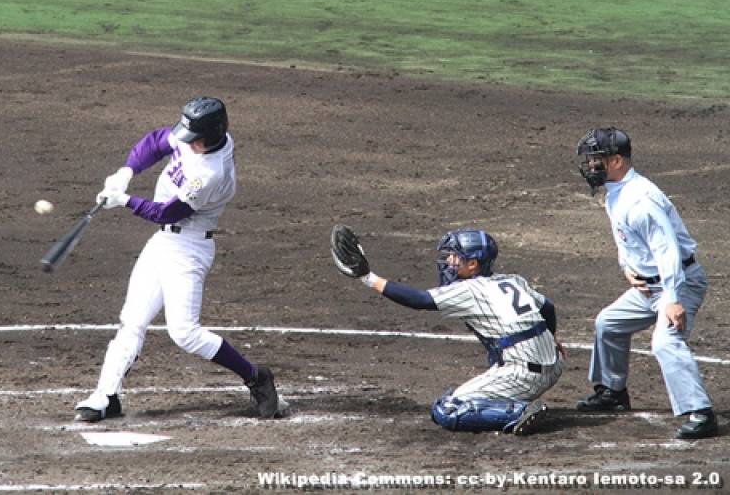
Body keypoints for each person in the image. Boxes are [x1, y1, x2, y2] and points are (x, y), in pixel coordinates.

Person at [74, 96, 285, 422]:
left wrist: (125, 200)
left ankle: (256, 377)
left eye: (195, 139)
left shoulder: (211, 173)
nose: (189, 143)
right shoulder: (200, 138)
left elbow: (168, 212)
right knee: (132, 319)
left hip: (189, 249)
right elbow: (158, 141)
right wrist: (126, 171)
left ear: (213, 136)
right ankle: (106, 396)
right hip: (163, 243)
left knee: (184, 332)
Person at [331, 225, 565, 435]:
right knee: (501, 349)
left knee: (448, 409)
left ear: (473, 264)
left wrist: (368, 278)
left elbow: (420, 300)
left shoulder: (470, 290)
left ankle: (519, 412)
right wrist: (552, 340)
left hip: (523, 376)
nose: (450, 261)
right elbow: (548, 307)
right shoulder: (513, 280)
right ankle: (515, 396)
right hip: (554, 366)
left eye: (456, 256)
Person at [574, 127, 716, 439]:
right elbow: (629, 242)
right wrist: (627, 267)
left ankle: (701, 412)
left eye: (596, 160)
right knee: (608, 323)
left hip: (678, 282)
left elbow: (668, 250)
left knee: (665, 341)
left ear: (616, 161)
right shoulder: (617, 192)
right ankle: (613, 392)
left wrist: (673, 299)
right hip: (649, 287)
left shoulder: (641, 201)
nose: (591, 166)